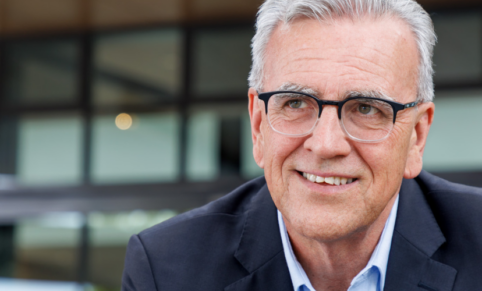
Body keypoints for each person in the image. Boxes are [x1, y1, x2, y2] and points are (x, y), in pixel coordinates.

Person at [122, 0, 482, 290]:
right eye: (295, 103)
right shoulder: (167, 270)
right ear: (259, 124)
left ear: (416, 136)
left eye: (367, 108)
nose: (326, 145)